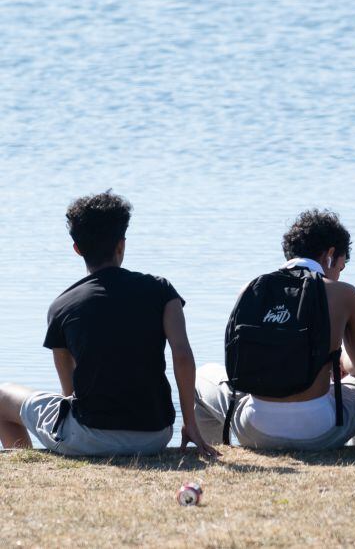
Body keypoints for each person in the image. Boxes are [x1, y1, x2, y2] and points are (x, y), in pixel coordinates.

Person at [0, 191, 217, 457]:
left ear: (77, 249)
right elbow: (182, 355)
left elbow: (69, 392)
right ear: (121, 245)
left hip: (89, 438)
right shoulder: (162, 290)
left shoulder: (61, 306)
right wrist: (190, 423)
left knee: (2, 396)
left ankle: (22, 459)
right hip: (156, 435)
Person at [194, 209, 355, 449]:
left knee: (201, 375)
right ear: (329, 255)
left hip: (253, 428)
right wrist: (340, 358)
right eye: (342, 264)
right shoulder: (344, 293)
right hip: (321, 431)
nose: (339, 272)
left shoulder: (250, 288)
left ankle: (212, 450)